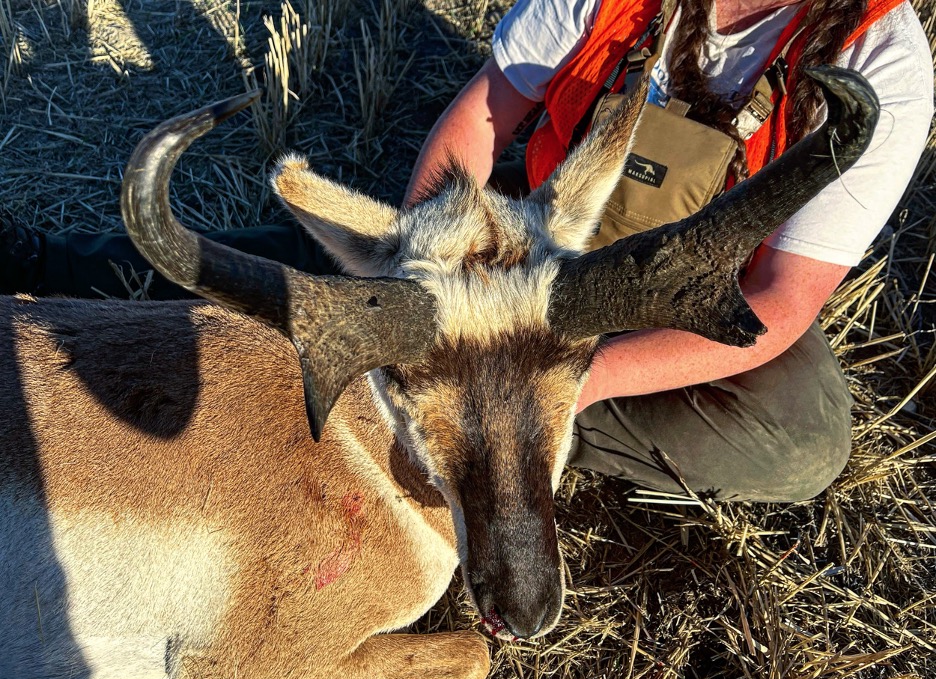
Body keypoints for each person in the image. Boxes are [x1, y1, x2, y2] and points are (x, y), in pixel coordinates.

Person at [1, 0, 931, 500]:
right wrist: (424, 270)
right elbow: (483, 118)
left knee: (803, 438)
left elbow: (778, 303)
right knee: (339, 266)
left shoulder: (883, 56)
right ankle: (47, 268)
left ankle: (452, 415)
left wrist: (571, 385)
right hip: (520, 248)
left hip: (671, 304)